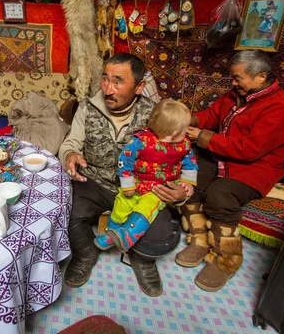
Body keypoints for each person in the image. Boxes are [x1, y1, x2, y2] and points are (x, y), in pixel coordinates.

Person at [59, 53, 188, 297]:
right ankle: (86, 254)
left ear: (139, 87)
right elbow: (71, 142)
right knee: (64, 210)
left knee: (162, 235)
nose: (108, 89)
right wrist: (69, 156)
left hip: (142, 189)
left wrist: (180, 193)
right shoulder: (87, 107)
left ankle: (142, 260)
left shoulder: (155, 114)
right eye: (105, 79)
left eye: (118, 81)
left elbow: (176, 158)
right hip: (94, 181)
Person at [181, 49, 284, 292]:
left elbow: (250, 149)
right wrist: (188, 120)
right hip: (221, 155)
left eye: (237, 78)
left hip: (255, 167)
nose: (232, 83)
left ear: (261, 77)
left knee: (219, 195)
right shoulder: (236, 95)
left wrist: (204, 137)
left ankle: (227, 261)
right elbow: (210, 116)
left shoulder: (280, 108)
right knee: (187, 179)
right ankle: (199, 239)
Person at [95, 99, 198, 253]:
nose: (187, 133)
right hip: (137, 184)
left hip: (159, 189)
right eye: (185, 129)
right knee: (121, 204)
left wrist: (187, 182)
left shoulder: (184, 145)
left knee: (145, 208)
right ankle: (111, 235)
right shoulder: (141, 141)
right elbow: (125, 160)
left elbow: (190, 163)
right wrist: (128, 184)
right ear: (174, 133)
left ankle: (128, 236)